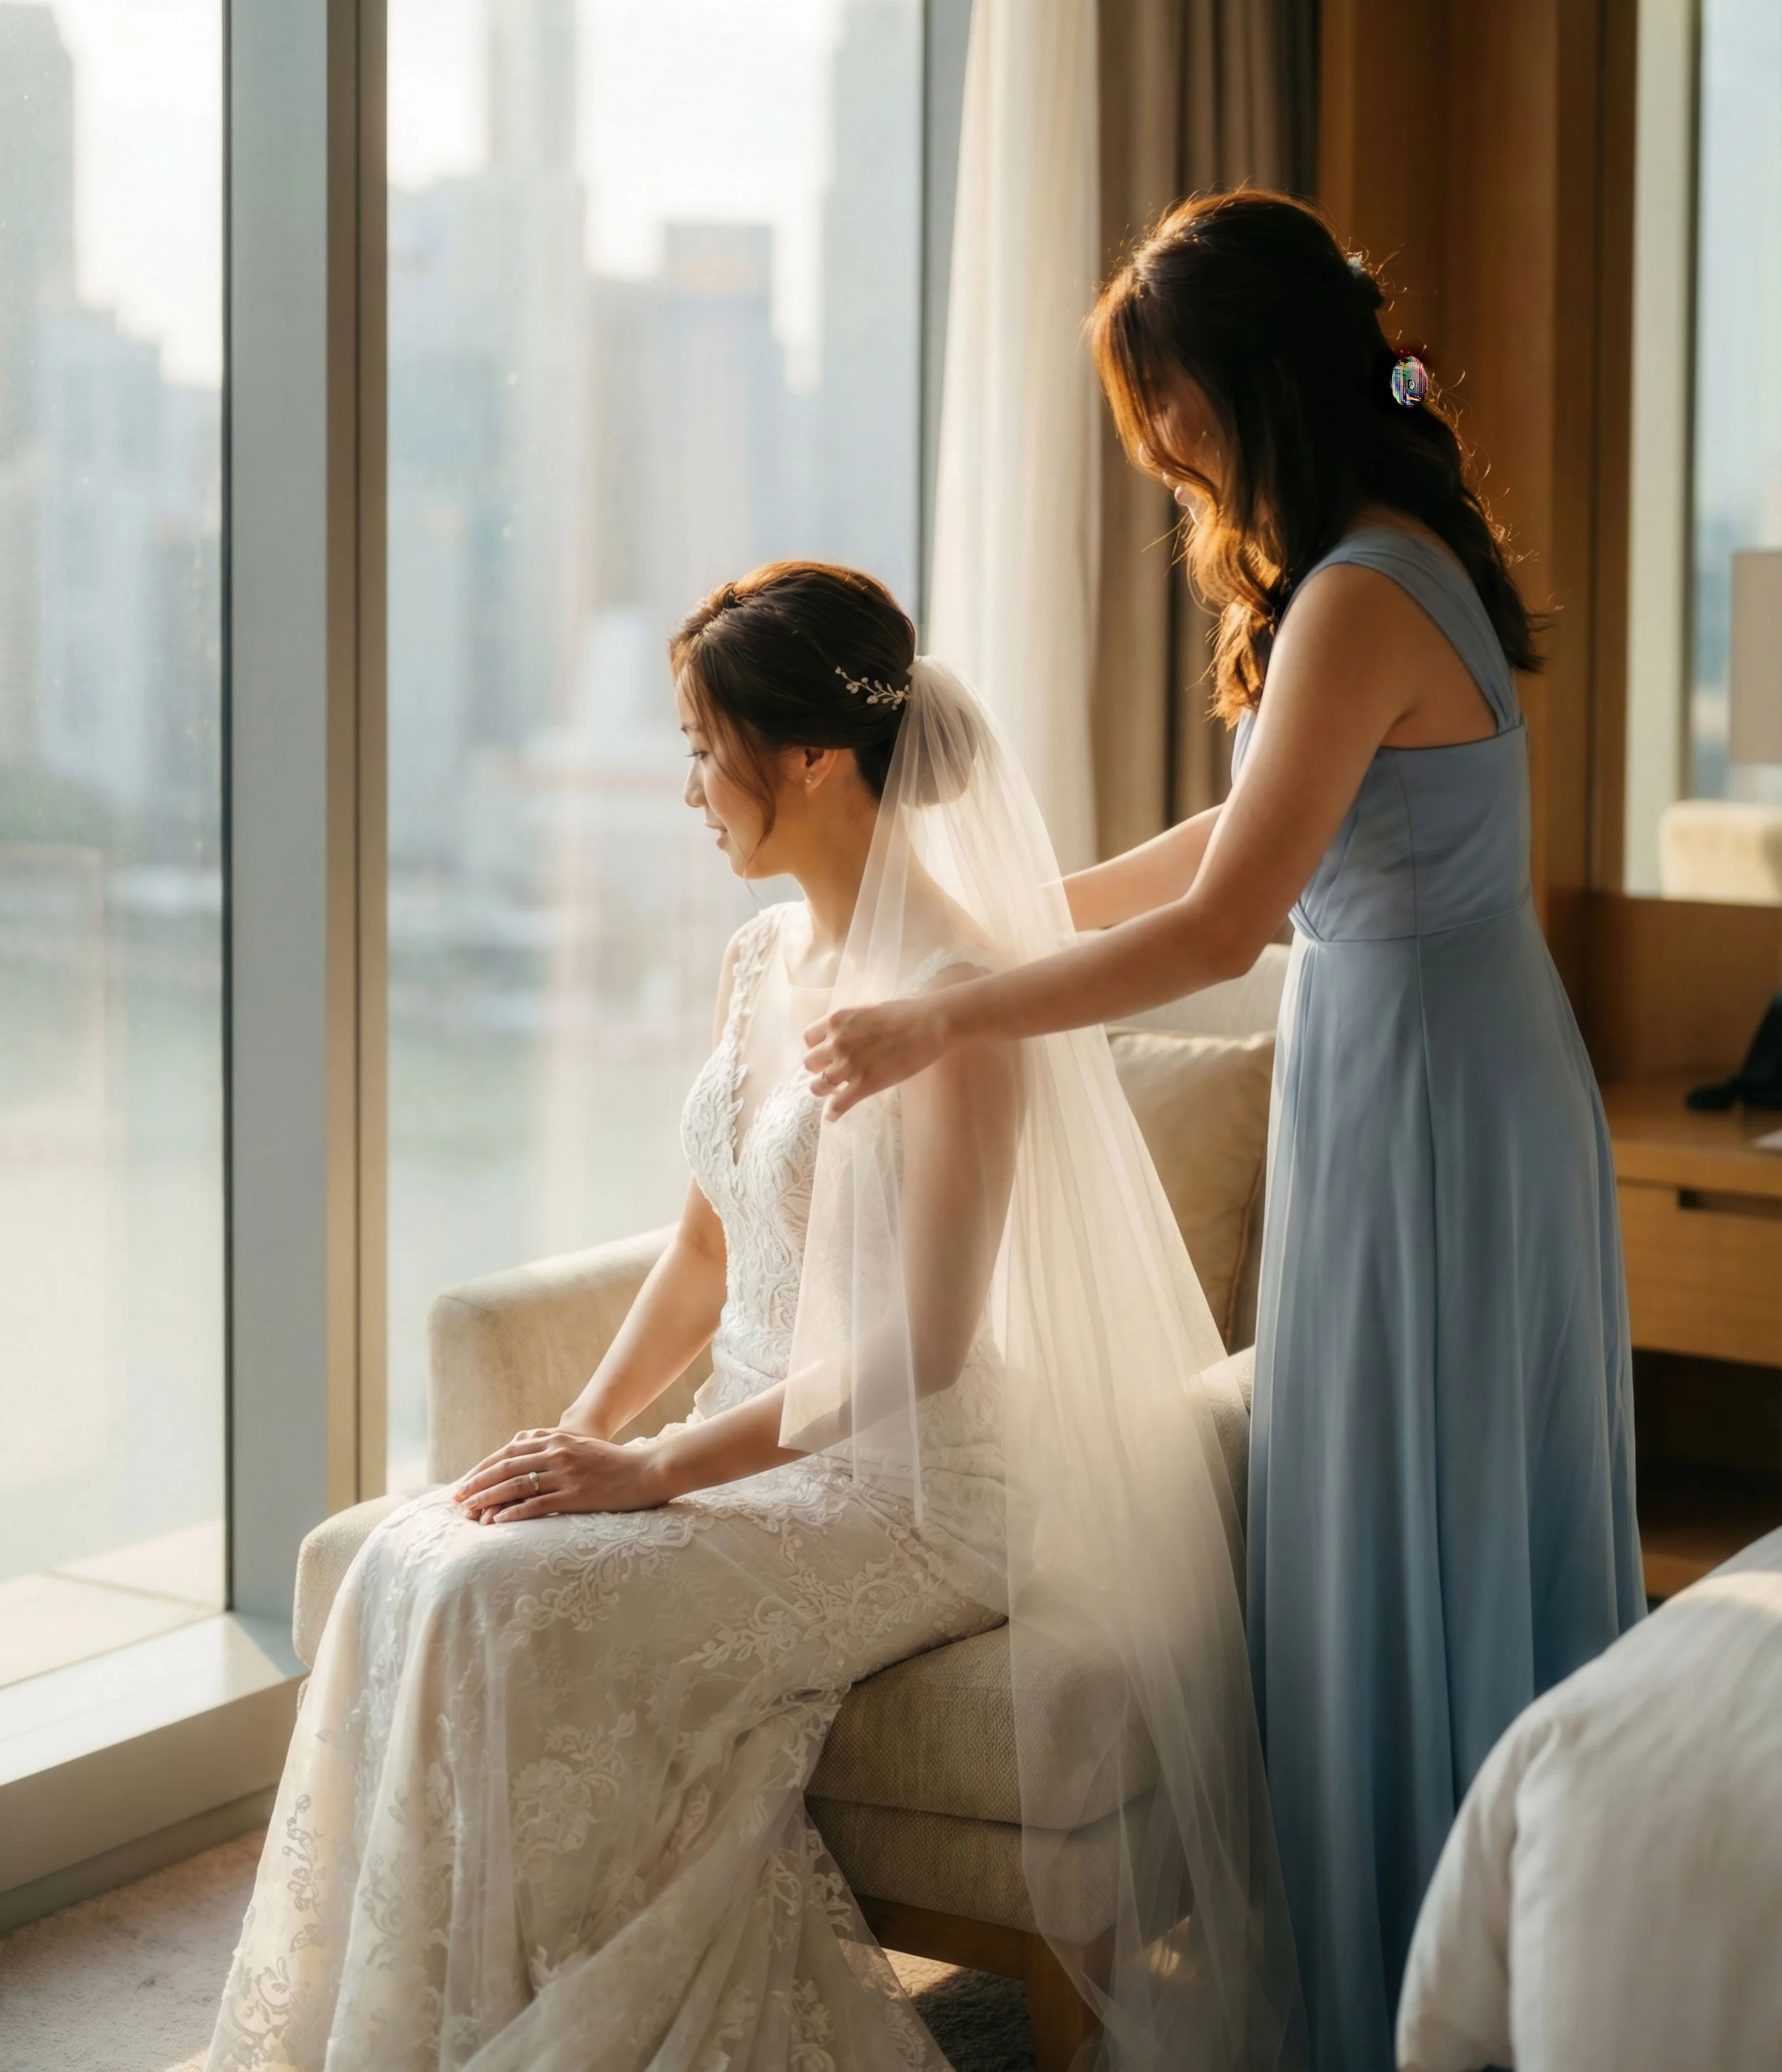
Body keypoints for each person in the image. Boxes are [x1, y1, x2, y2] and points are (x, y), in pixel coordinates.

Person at [207, 561, 1301, 2072]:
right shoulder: (754, 960)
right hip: (753, 1445)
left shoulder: (957, 999)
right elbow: (704, 1258)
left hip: (907, 1481)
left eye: (701, 744)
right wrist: (569, 1440)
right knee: (417, 1556)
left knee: (481, 1602)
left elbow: (920, 1351)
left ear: (810, 758)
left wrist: (651, 1475)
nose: (687, 787)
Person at [805, 192, 1646, 2071]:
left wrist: (945, 1004)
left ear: (1245, 375)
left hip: (1432, 1097)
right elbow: (1224, 855)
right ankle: (1451, 1962)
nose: (1161, 449)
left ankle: (1434, 1995)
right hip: (1411, 1071)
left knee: (1408, 1535)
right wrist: (1001, 912)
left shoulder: (1357, 587)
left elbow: (1222, 917)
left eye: (1166, 403)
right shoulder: (1366, 560)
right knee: (1399, 1529)